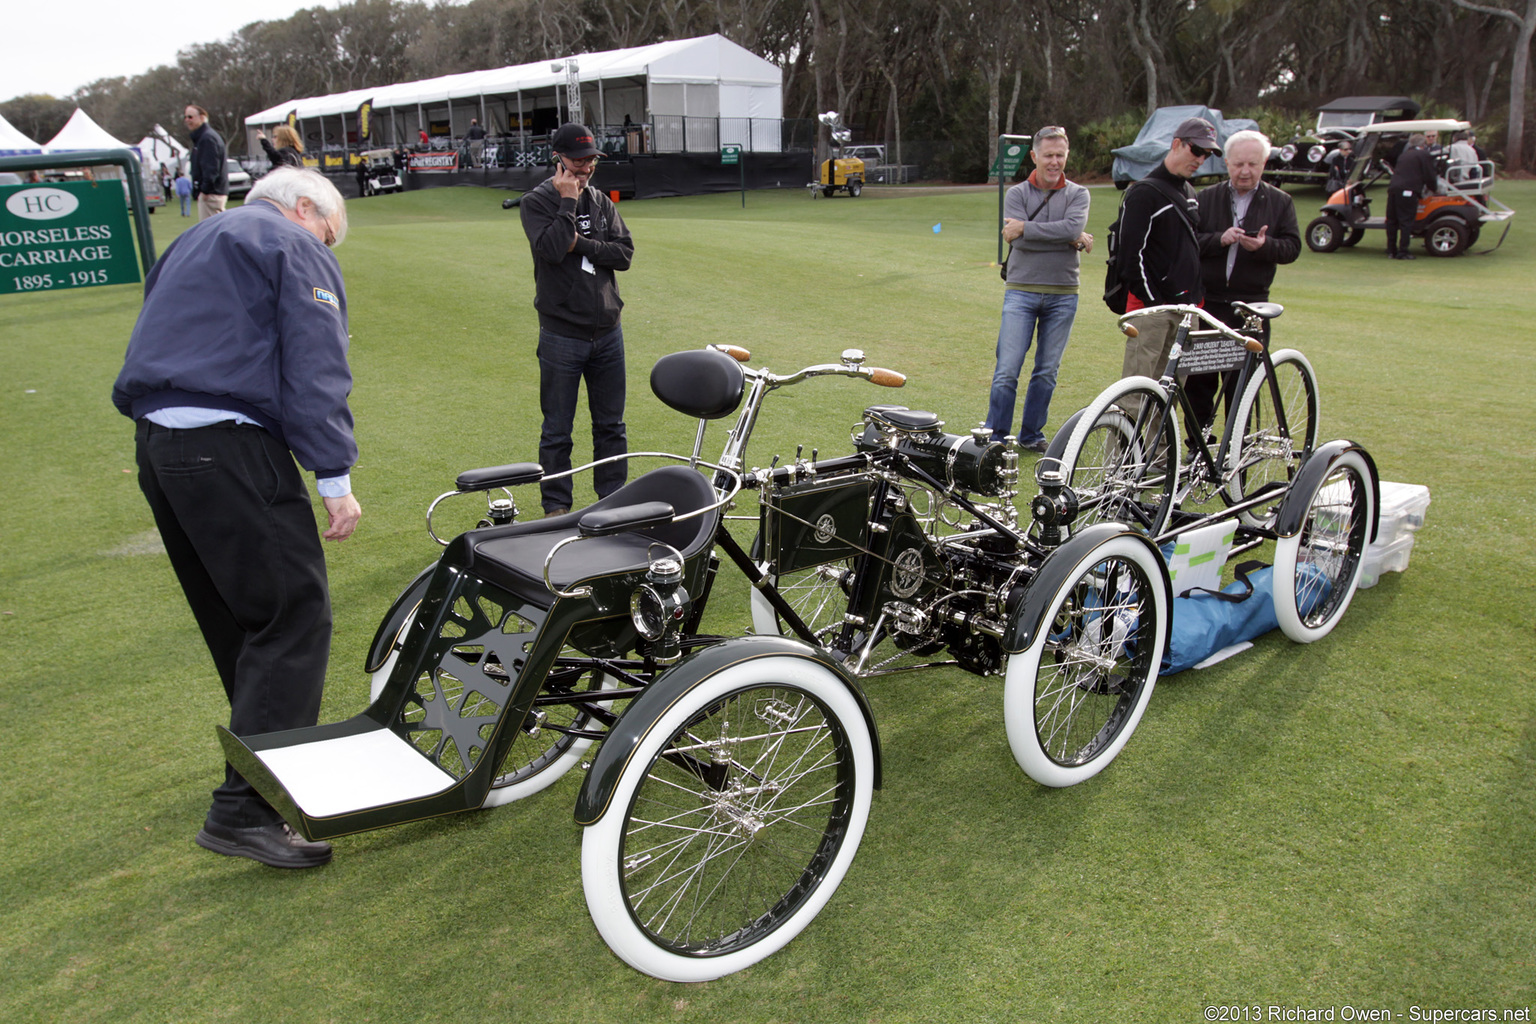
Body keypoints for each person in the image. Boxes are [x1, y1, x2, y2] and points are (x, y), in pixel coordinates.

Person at [111, 167, 359, 869]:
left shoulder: (192, 240)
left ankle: (273, 774)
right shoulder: (287, 240)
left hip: (160, 447)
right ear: (303, 207)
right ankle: (245, 809)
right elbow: (316, 359)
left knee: (242, 621)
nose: (327, 249)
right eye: (328, 235)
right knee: (292, 614)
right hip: (229, 444)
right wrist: (333, 475)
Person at [519, 123, 635, 516]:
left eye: (591, 161)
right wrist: (567, 202)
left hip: (607, 333)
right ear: (559, 159)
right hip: (561, 335)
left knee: (611, 427)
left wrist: (581, 244)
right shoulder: (535, 203)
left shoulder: (602, 201)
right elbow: (552, 250)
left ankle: (613, 502)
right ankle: (556, 508)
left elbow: (624, 254)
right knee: (556, 431)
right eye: (578, 161)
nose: (585, 168)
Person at [984, 125, 1093, 453]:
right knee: (1007, 369)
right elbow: (1020, 238)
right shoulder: (1016, 194)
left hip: (1064, 294)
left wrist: (1031, 230)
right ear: (1034, 156)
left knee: (1046, 371)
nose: (1055, 161)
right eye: (1048, 155)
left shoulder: (1078, 194)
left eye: (1060, 155)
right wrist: (1067, 238)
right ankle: (995, 437)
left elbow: (1071, 227)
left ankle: (1031, 435)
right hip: (1021, 291)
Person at [1192, 129, 1301, 431]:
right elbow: (1189, 243)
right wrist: (1219, 239)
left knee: (1242, 381)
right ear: (1226, 163)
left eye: (1253, 164)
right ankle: (1198, 444)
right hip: (1208, 302)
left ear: (1264, 163)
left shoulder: (1280, 202)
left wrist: (1264, 247)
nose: (1245, 171)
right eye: (1238, 164)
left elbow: (1292, 248)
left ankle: (1235, 445)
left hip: (1252, 306)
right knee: (1200, 379)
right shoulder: (1205, 197)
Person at [1115, 116, 1215, 387]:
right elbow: (1129, 258)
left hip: (1187, 309)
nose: (1200, 159)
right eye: (1196, 150)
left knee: (1170, 394)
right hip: (1152, 312)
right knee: (1135, 395)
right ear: (1176, 144)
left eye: (1206, 154)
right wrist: (1154, 303)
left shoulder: (1190, 191)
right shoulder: (1143, 193)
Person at [1386, 132, 1435, 260]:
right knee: (1406, 221)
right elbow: (1429, 174)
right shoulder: (1423, 155)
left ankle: (1391, 250)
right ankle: (1403, 251)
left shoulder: (1404, 155)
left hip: (1394, 189)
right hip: (1408, 190)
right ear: (1423, 144)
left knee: (1392, 221)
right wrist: (1433, 188)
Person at [184, 104, 228, 220]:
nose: (187, 120)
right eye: (186, 117)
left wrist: (205, 190)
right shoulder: (202, 138)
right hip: (210, 193)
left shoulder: (207, 138)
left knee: (212, 231)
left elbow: (211, 167)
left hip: (211, 195)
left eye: (191, 117)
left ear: (202, 118)